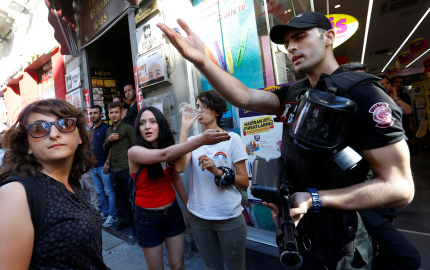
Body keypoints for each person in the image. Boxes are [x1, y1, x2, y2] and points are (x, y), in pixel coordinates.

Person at [157, 12, 414, 269]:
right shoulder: (294, 92)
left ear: (329, 37)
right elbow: (245, 97)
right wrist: (202, 62)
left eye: (300, 37)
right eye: (287, 42)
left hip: (342, 241)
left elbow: (399, 187)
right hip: (300, 233)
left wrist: (315, 199)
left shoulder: (365, 94)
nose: (291, 47)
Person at [0, 99, 108, 269]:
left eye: (65, 124)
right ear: (27, 145)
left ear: (80, 136)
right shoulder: (14, 195)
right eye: (39, 128)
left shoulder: (70, 181)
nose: (54, 134)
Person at [128, 106, 231, 270]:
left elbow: (175, 175)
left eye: (152, 121)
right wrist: (201, 140)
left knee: (178, 265)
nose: (147, 126)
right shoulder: (134, 151)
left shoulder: (168, 147)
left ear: (160, 125)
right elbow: (164, 156)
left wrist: (187, 206)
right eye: (142, 123)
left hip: (172, 213)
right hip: (147, 218)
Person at [341, 65, 421, 270]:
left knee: (374, 249)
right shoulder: (344, 117)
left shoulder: (380, 108)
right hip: (362, 202)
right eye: (358, 84)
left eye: (370, 83)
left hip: (383, 201)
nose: (366, 89)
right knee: (407, 257)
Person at [175, 90, 249, 270]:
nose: (199, 110)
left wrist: (219, 172)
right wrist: (185, 128)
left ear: (217, 111)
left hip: (228, 217)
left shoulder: (232, 139)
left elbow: (244, 181)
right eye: (198, 106)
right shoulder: (193, 141)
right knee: (212, 267)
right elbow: (179, 167)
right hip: (199, 218)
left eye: (205, 106)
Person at [103, 102, 134, 230]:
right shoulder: (109, 130)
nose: (114, 115)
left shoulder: (127, 128)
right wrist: (108, 140)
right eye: (111, 112)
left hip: (127, 168)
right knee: (121, 198)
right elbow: (106, 148)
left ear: (121, 114)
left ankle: (137, 223)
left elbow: (136, 146)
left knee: (131, 197)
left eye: (116, 112)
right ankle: (127, 220)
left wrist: (133, 167)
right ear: (108, 114)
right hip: (115, 169)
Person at [88, 105, 117, 228]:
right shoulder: (90, 129)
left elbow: (111, 146)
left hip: (103, 166)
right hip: (93, 167)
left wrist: (107, 162)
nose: (92, 115)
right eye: (91, 113)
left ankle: (112, 215)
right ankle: (104, 212)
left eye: (95, 113)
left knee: (109, 192)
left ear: (101, 114)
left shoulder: (106, 128)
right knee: (99, 192)